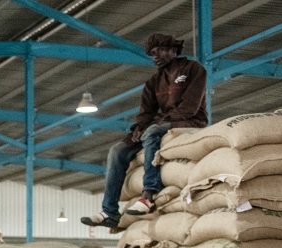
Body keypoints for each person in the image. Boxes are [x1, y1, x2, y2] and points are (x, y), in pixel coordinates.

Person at [82, 33, 208, 229]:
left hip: (190, 121)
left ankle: (148, 195)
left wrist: (152, 126)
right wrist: (139, 128)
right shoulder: (154, 81)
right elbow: (146, 111)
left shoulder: (193, 69)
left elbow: (190, 107)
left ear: (174, 51)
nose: (156, 56)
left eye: (160, 51)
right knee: (117, 150)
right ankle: (109, 211)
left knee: (152, 133)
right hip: (161, 123)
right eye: (152, 53)